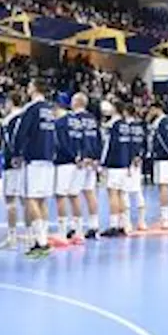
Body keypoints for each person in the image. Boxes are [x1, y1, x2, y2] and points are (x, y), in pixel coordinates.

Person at [14, 78, 56, 258]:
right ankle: (43, 238)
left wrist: (16, 152)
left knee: (31, 199)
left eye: (30, 85)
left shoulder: (31, 109)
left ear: (35, 88)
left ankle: (41, 242)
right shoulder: (49, 110)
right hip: (48, 159)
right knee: (42, 200)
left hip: (34, 159)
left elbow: (20, 133)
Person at [0, 89, 28, 250]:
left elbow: (10, 143)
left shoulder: (8, 120)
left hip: (12, 164)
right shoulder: (26, 116)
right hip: (26, 164)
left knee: (10, 200)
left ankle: (12, 236)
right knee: (26, 200)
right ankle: (31, 235)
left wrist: (15, 156)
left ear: (10, 102)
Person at [71, 92, 101, 239]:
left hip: (81, 161)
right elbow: (98, 139)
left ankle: (77, 227)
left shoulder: (74, 118)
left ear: (77, 102)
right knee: (90, 192)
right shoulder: (93, 119)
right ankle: (94, 225)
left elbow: (76, 138)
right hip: (92, 161)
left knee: (74, 193)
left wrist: (81, 156)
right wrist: (96, 159)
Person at [52, 100, 83, 241]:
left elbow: (60, 144)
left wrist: (71, 156)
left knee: (61, 196)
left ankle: (62, 232)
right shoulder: (77, 121)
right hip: (79, 163)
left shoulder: (59, 123)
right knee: (74, 195)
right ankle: (79, 231)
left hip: (64, 162)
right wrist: (80, 157)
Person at [100, 100, 130, 237]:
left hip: (114, 163)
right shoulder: (125, 124)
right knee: (121, 194)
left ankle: (113, 225)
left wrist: (103, 164)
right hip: (124, 163)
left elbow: (108, 146)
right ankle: (123, 225)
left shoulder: (113, 125)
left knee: (112, 193)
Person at [122, 104, 147, 231]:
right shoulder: (140, 127)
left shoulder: (127, 127)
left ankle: (127, 223)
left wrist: (130, 158)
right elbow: (145, 143)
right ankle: (142, 222)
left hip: (128, 161)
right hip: (139, 161)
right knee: (138, 190)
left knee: (125, 191)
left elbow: (127, 145)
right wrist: (140, 156)